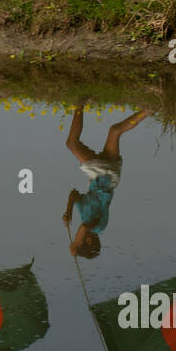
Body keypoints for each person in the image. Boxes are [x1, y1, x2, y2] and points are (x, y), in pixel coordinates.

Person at [62, 102, 152, 258]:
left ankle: (150, 109)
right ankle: (80, 101)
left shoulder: (84, 214)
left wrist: (68, 211)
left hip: (109, 176)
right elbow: (84, 227)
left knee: (115, 131)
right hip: (102, 175)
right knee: (72, 144)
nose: (80, 238)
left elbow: (74, 194)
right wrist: (75, 245)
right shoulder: (98, 227)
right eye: (82, 241)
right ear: (88, 241)